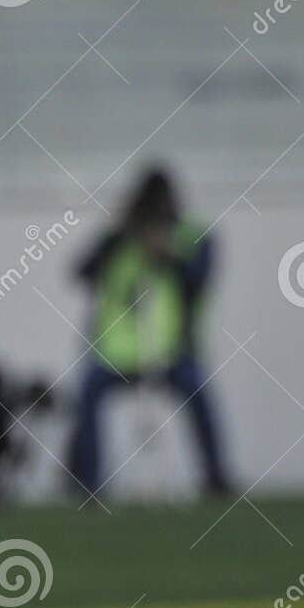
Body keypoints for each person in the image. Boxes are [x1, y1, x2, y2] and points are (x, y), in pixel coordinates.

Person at [65, 165, 230, 498]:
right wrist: (119, 236)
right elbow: (81, 271)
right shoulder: (118, 240)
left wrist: (170, 255)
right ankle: (89, 485)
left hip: (172, 352)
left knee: (199, 394)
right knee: (85, 396)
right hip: (116, 353)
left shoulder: (192, 237)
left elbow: (200, 278)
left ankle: (216, 480)